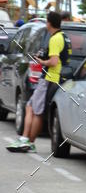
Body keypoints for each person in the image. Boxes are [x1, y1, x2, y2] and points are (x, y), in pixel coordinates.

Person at [6, 11, 65, 153]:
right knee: (31, 107)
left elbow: (54, 61)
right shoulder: (60, 37)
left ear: (49, 23)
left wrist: (41, 61)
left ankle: (27, 141)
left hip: (49, 78)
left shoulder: (55, 39)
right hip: (49, 78)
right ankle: (26, 140)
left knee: (36, 111)